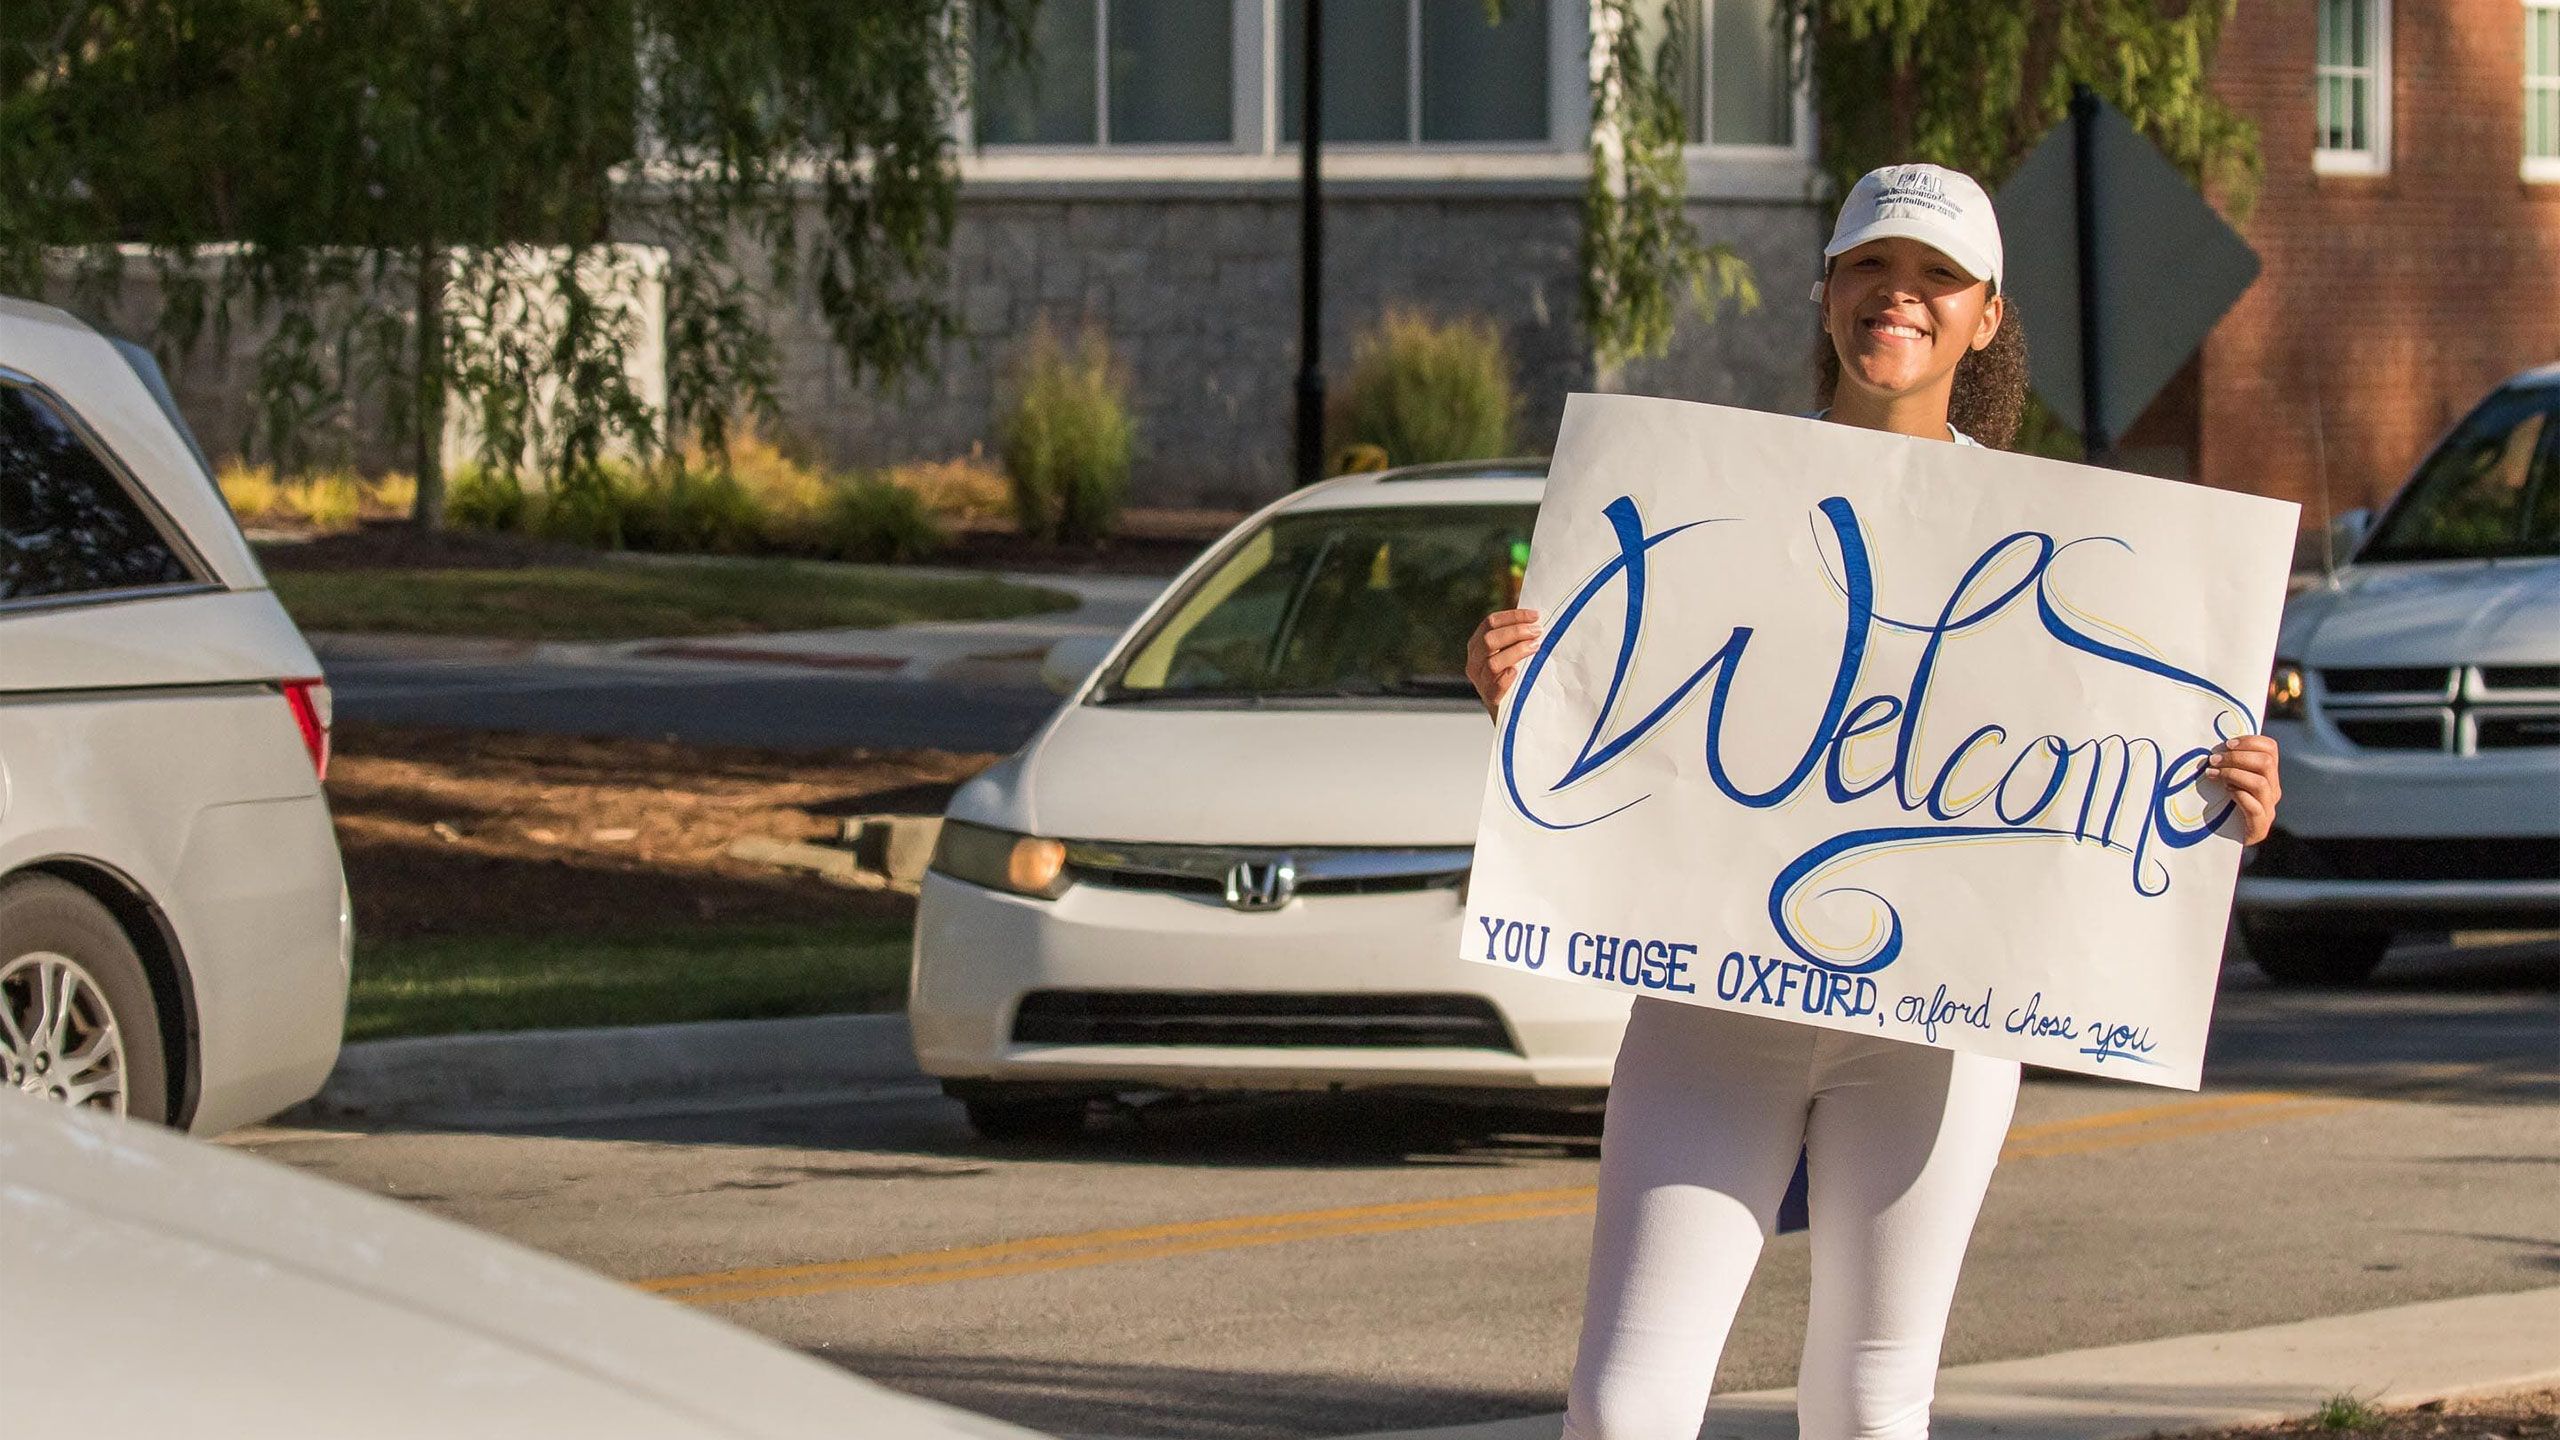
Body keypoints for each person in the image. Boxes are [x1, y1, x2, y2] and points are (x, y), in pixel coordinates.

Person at [1461, 163, 2285, 1440]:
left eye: (1935, 279)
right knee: (1623, 1404)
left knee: (1866, 1404)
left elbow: (2129, 779)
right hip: (1709, 1005)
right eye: (1870, 270)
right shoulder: (1708, 493)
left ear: (1987, 316)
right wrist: (1524, 679)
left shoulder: (2063, 547)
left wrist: (2225, 791)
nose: (1898, 299)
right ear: (1827, 289)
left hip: (1935, 1026)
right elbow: (1619, 719)